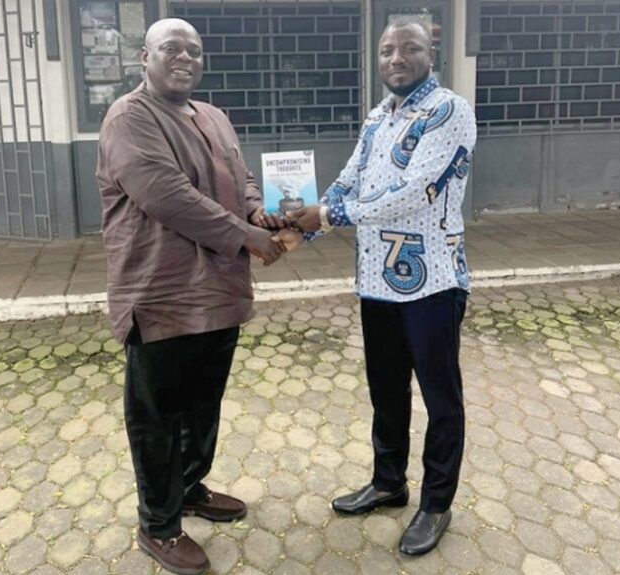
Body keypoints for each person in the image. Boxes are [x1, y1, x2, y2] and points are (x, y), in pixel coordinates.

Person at [276, 18, 477, 555]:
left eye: (408, 48)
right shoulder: (379, 116)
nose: (395, 58)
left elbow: (415, 193)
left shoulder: (449, 111)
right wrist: (300, 224)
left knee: (441, 398)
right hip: (377, 286)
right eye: (386, 49)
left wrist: (329, 215)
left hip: (432, 283)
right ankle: (389, 483)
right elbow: (349, 179)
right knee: (386, 393)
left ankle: (436, 503)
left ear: (429, 52)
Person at [96, 18, 284, 575]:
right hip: (161, 293)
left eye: (194, 51)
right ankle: (158, 523)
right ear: (145, 59)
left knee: (202, 404)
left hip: (220, 289)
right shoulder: (130, 117)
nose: (185, 58)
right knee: (156, 415)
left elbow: (240, 176)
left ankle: (189, 486)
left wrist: (258, 210)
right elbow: (167, 195)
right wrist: (248, 237)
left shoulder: (215, 116)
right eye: (171, 48)